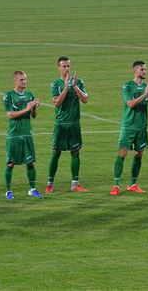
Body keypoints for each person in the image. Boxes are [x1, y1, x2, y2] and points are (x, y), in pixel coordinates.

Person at [110, 61, 148, 195]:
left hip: (141, 127)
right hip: (128, 126)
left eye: (145, 69)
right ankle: (116, 185)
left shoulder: (146, 87)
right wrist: (145, 94)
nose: (144, 71)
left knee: (139, 154)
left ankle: (133, 184)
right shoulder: (127, 86)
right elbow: (130, 104)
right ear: (135, 71)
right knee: (122, 153)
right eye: (142, 69)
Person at [46, 56, 89, 194]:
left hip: (75, 124)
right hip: (61, 124)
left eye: (68, 66)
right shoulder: (55, 83)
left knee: (75, 152)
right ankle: (50, 184)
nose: (67, 69)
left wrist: (74, 86)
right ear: (59, 68)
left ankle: (75, 184)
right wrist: (65, 87)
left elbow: (85, 100)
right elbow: (56, 102)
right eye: (64, 66)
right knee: (56, 152)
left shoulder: (78, 82)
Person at [3, 71, 42, 199]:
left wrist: (34, 108)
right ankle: (8, 191)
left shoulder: (30, 95)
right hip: (14, 134)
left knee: (30, 162)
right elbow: (10, 115)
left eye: (25, 79)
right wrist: (27, 108)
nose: (24, 81)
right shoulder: (9, 95)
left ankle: (32, 189)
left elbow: (33, 116)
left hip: (27, 134)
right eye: (21, 80)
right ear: (15, 81)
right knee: (10, 163)